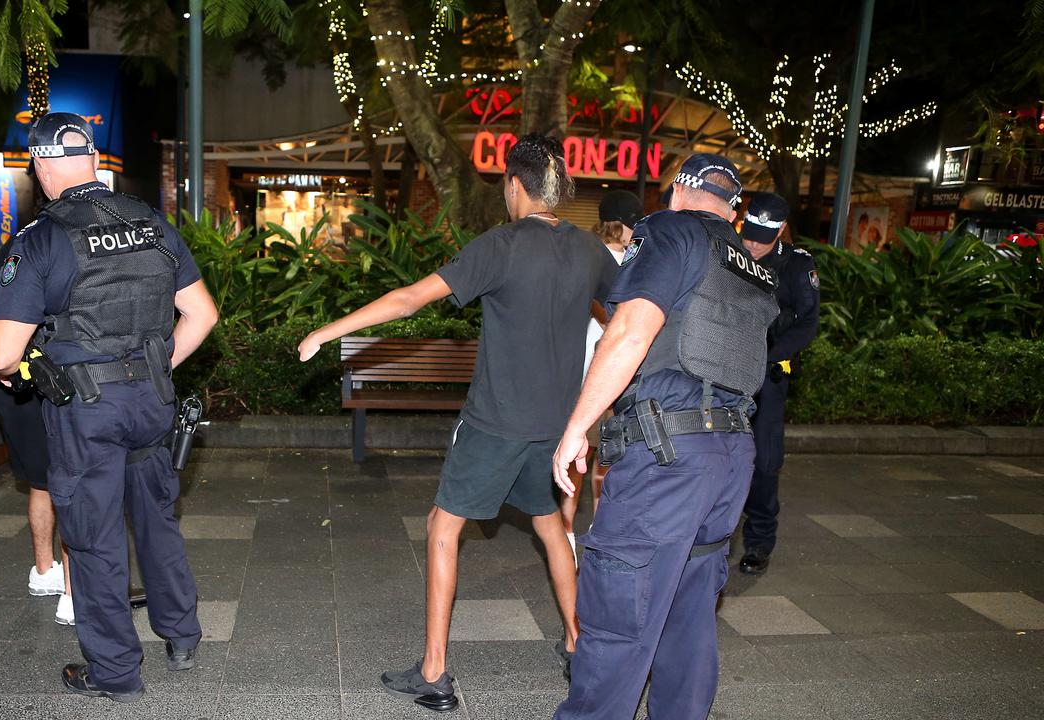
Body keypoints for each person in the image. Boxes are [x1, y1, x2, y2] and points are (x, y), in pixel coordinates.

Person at [297, 134, 618, 713]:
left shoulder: (500, 245)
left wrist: (326, 331)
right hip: (557, 424)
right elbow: (626, 317)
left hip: (495, 422)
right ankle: (577, 646)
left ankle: (435, 671)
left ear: (514, 185)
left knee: (443, 527)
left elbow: (409, 299)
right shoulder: (590, 251)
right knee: (550, 526)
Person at [0, 112, 219, 703]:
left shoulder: (39, 240)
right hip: (151, 403)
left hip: (87, 410)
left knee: (93, 538)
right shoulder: (150, 223)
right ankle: (182, 635)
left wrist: (39, 368)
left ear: (39, 167)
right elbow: (203, 316)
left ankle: (114, 671)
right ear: (94, 160)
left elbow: (1, 355)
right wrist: (151, 370)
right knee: (158, 519)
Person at [551, 153, 778, 720]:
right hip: (729, 458)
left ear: (678, 190)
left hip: (667, 458)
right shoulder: (749, 265)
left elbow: (629, 331)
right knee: (688, 616)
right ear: (732, 209)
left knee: (619, 620)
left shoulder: (670, 229)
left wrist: (578, 426)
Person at [0, 215, 74, 626]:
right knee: (71, 482)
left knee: (41, 480)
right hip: (53, 378)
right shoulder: (63, 242)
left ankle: (44, 572)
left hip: (11, 380)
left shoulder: (17, 244)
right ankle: (75, 596)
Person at [736, 193, 820, 576]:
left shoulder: (796, 266)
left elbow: (808, 322)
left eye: (761, 238)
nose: (752, 244)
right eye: (748, 234)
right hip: (725, 366)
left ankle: (758, 541)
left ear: (781, 230)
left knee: (765, 461)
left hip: (768, 372)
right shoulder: (728, 252)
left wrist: (770, 356)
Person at [559, 189, 643, 561]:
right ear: (625, 225)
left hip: (583, 368)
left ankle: (566, 534)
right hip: (612, 369)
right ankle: (596, 530)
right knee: (605, 456)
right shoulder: (630, 262)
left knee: (581, 453)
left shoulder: (583, 253)